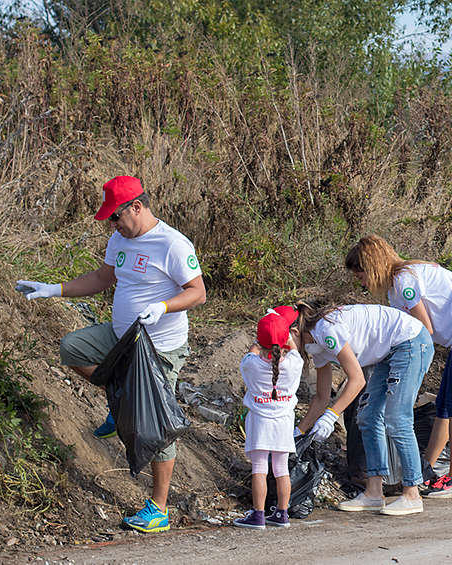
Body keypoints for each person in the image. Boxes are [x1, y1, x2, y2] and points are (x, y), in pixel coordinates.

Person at [16, 175, 206, 532]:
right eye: (109, 219)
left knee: (155, 425)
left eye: (116, 216)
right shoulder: (120, 239)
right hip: (121, 336)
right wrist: (52, 289)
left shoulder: (173, 245)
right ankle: (121, 398)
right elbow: (103, 279)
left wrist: (164, 307)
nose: (112, 224)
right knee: (72, 348)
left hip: (158, 348)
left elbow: (198, 292)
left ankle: (159, 509)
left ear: (137, 206)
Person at [345, 235, 452, 499]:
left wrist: (411, 370)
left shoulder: (404, 282)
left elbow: (423, 329)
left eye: (361, 276)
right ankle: (429, 470)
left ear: (372, 266)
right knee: (446, 405)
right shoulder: (399, 281)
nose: (362, 283)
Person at [294, 302, 434, 515]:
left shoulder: (326, 331)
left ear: (295, 331)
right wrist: (299, 432)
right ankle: (374, 492)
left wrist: (331, 416)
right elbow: (321, 397)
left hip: (411, 341)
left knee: (397, 418)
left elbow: (357, 380)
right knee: (368, 416)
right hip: (390, 351)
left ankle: (412, 493)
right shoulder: (315, 345)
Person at [233, 309, 303, 529]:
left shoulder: (250, 364)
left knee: (259, 468)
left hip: (259, 422)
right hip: (284, 423)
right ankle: (282, 514)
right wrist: (283, 334)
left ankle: (258, 514)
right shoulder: (294, 363)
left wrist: (261, 338)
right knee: (281, 469)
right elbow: (292, 347)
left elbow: (253, 351)